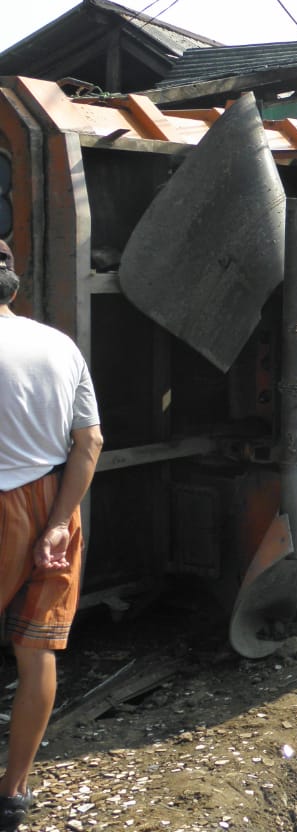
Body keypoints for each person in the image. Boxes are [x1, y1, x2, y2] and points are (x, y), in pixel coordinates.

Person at [0, 238, 102, 831]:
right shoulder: (60, 347)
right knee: (36, 653)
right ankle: (11, 793)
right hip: (53, 503)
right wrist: (60, 520)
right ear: (15, 288)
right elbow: (88, 442)